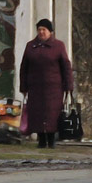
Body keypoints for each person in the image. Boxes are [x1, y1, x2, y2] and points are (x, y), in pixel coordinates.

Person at [19, 18, 74, 148]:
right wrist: (23, 86)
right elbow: (24, 67)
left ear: (50, 32)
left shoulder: (58, 46)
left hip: (54, 88)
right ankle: (41, 139)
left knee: (52, 114)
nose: (41, 32)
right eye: (39, 30)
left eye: (44, 30)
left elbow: (66, 67)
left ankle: (52, 139)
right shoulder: (30, 46)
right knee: (37, 114)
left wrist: (68, 86)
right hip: (35, 87)